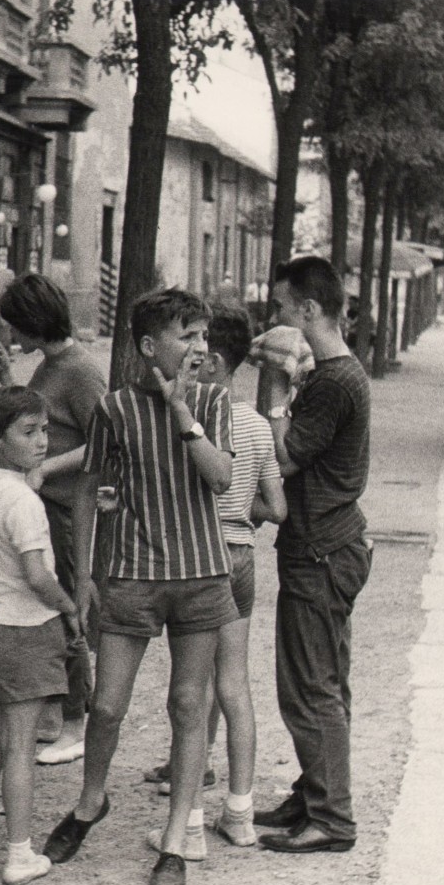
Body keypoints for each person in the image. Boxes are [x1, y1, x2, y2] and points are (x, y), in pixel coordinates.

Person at [42, 288, 238, 885]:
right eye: (189, 337)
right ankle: (90, 801)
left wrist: (185, 418)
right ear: (152, 346)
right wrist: (82, 577)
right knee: (106, 705)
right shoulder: (115, 409)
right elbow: (87, 483)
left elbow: (223, 478)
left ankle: (175, 838)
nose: (200, 348)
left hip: (201, 574)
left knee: (187, 706)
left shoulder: (213, 400)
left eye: (204, 337)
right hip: (130, 574)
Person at [142, 306, 287, 856]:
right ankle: (241, 812)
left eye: (201, 347)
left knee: (190, 691)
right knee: (235, 685)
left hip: (201, 558)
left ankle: (193, 823)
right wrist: (243, 516)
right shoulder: (255, 426)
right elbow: (278, 506)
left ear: (215, 361)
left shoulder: (192, 422)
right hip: (243, 556)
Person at [250, 255, 373, 854]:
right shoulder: (334, 375)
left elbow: (284, 456)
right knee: (324, 682)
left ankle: (332, 818)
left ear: (308, 310)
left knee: (309, 689)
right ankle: (314, 794)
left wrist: (273, 387)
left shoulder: (332, 382)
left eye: (280, 307)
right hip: (328, 545)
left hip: (321, 552)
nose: (274, 317)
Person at [0, 387, 77, 885]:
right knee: (20, 748)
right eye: (29, 433)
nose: (43, 441)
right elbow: (37, 574)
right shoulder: (25, 503)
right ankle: (20, 853)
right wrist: (68, 606)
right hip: (24, 630)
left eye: (45, 430)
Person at [0, 273, 106, 766]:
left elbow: (105, 442)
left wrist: (45, 468)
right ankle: (58, 711)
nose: (12, 335)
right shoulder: (50, 363)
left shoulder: (79, 369)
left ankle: (76, 721)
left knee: (67, 607)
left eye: (16, 326)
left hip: (63, 507)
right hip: (44, 505)